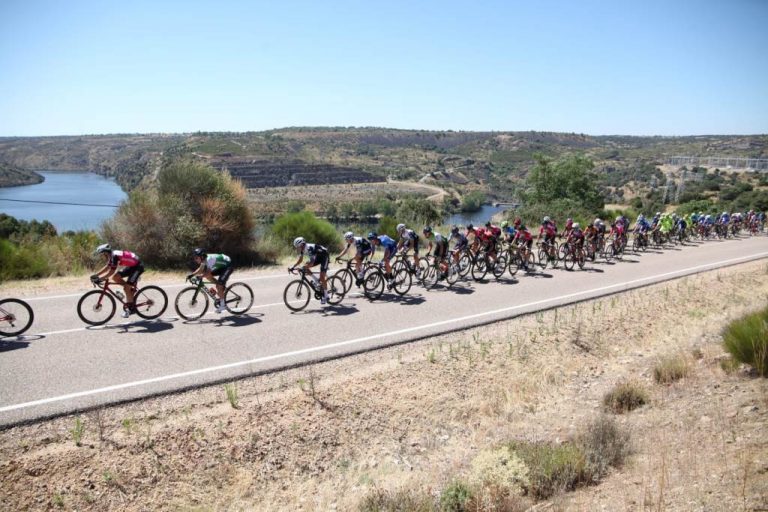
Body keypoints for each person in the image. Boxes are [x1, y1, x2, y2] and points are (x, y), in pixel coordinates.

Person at [92, 244, 144, 318]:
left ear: (106, 252)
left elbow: (111, 271)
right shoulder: (112, 255)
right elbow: (107, 267)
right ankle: (130, 289)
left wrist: (100, 279)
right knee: (115, 277)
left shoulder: (114, 255)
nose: (103, 256)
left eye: (103, 254)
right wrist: (96, 275)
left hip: (138, 267)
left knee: (126, 288)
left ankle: (132, 309)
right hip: (132, 266)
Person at [188, 249, 232, 313]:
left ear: (201, 257)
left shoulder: (209, 259)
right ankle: (220, 287)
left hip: (228, 265)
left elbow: (207, 273)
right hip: (221, 266)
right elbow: (200, 269)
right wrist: (191, 275)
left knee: (217, 284)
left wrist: (200, 276)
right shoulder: (204, 260)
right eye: (194, 258)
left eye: (196, 258)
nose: (195, 259)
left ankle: (223, 305)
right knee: (207, 275)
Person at [290, 237, 330, 304]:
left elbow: (312, 262)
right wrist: (293, 267)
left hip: (324, 257)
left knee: (322, 277)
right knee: (305, 266)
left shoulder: (309, 248)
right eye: (296, 247)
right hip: (317, 257)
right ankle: (316, 280)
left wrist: (303, 267)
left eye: (298, 246)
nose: (297, 248)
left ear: (302, 244)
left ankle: (326, 296)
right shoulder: (302, 249)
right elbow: (300, 260)